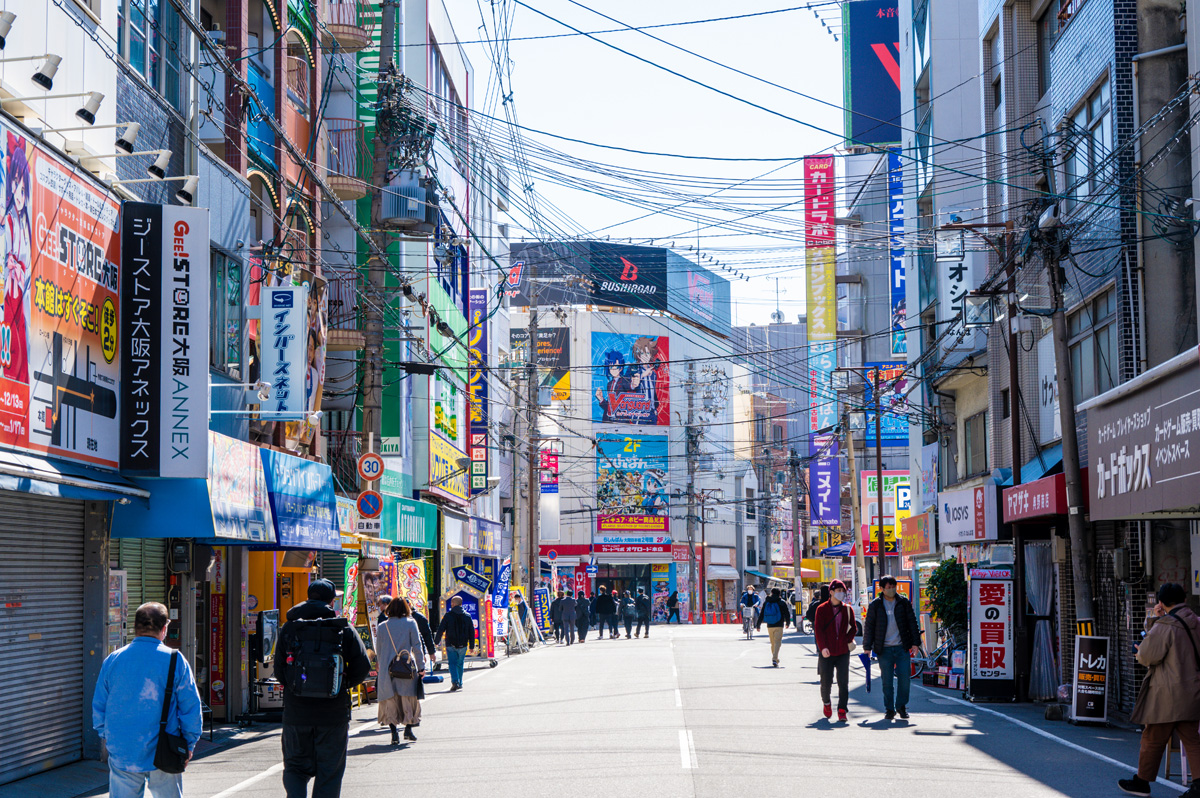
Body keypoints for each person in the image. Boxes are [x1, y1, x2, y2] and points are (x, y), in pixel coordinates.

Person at [93, 602, 202, 798]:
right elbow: (190, 708)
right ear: (164, 628)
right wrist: (188, 744)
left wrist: (108, 736)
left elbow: (99, 706)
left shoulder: (113, 659)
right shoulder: (176, 660)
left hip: (123, 749)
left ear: (135, 628)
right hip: (165, 749)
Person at [276, 579, 371, 796]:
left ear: (308, 596)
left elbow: (280, 670)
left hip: (296, 712)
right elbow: (363, 666)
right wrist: (342, 684)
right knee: (330, 771)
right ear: (331, 601)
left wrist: (294, 687)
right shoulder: (343, 627)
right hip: (333, 713)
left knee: (295, 768)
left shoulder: (290, 627)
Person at [1118, 583, 1200, 798]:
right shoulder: (1197, 622)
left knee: (1153, 737)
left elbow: (1147, 656)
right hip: (1193, 691)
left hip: (1167, 693)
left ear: (1161, 603)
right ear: (1184, 598)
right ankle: (1199, 785)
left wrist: (1153, 624)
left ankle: (1142, 782)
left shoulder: (1165, 625)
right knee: (1192, 739)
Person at [863, 575, 921, 720]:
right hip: (884, 649)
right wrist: (867, 647)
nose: (891, 590)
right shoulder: (876, 605)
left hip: (902, 647)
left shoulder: (903, 603)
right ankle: (889, 709)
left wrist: (915, 643)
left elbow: (912, 623)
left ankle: (901, 706)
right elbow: (869, 626)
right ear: (881, 589)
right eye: (887, 587)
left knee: (904, 680)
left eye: (893, 587)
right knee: (886, 681)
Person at [376, 597, 427, 744]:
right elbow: (417, 647)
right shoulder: (411, 623)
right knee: (408, 698)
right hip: (406, 667)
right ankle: (408, 730)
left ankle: (393, 734)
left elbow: (378, 650)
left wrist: (379, 666)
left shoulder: (382, 626)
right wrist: (421, 666)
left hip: (387, 668)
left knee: (390, 700)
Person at [813, 579, 857, 722]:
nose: (841, 594)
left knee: (843, 682)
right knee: (826, 681)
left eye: (842, 591)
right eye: (838, 591)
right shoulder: (821, 609)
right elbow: (818, 630)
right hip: (827, 651)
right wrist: (823, 647)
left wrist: (847, 639)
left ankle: (842, 709)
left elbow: (854, 628)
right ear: (831, 592)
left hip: (843, 651)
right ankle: (826, 703)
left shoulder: (847, 609)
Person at [434, 595, 476, 692]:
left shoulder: (448, 616)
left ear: (452, 604)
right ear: (461, 604)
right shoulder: (467, 616)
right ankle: (460, 682)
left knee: (452, 663)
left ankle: (455, 681)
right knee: (460, 664)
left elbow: (441, 629)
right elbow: (471, 632)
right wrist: (472, 646)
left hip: (450, 644)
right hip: (463, 644)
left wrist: (436, 642)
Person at [756, 588, 792, 667]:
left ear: (771, 593)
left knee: (773, 643)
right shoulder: (781, 602)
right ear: (779, 594)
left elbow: (762, 613)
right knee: (777, 642)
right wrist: (788, 623)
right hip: (779, 625)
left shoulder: (767, 601)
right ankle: (775, 659)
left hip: (769, 625)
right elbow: (787, 613)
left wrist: (758, 625)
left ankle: (775, 658)